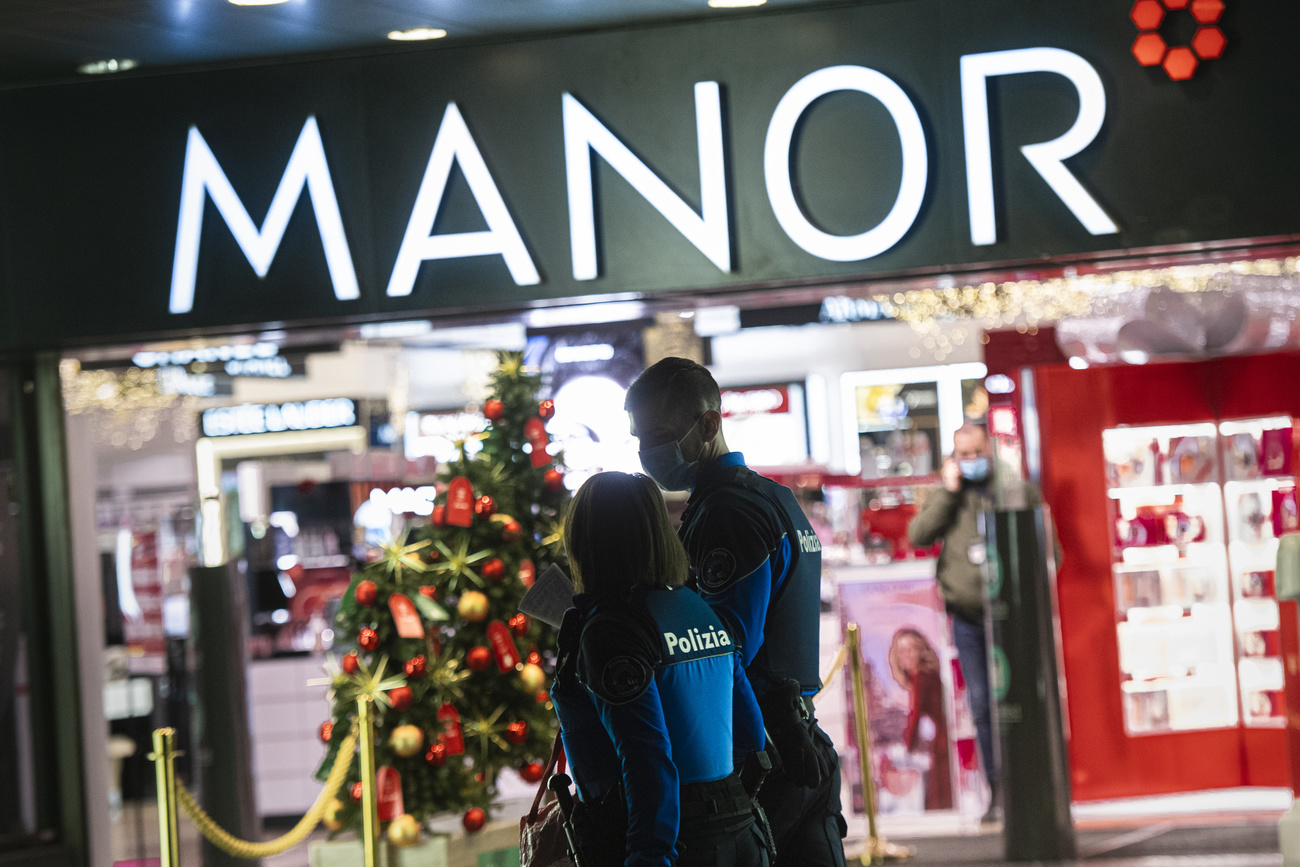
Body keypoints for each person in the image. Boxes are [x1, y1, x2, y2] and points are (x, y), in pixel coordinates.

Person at [625, 358, 847, 867]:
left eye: (658, 434)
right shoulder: (773, 497)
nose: (646, 452)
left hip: (760, 749)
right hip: (798, 739)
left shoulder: (728, 513)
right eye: (639, 438)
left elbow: (725, 648)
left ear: (708, 424)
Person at [551, 471, 770, 867]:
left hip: (663, 840)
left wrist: (650, 855)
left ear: (586, 541)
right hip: (740, 827)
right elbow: (751, 732)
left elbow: (646, 758)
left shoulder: (611, 630)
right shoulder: (700, 609)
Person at [906, 423, 999, 823]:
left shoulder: (1010, 486)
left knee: (1021, 705)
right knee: (981, 705)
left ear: (990, 449)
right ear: (953, 459)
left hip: (1012, 618)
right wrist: (949, 491)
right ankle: (998, 792)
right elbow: (919, 535)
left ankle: (1027, 785)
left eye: (977, 452)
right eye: (963, 455)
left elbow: (1048, 549)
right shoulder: (949, 497)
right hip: (968, 619)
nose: (971, 461)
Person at [888, 628, 952, 811]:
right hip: (939, 741)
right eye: (901, 650)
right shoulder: (926, 674)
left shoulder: (922, 676)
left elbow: (915, 715)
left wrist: (908, 746)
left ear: (921, 650)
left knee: (938, 795)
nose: (905, 655)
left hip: (941, 743)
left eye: (911, 649)